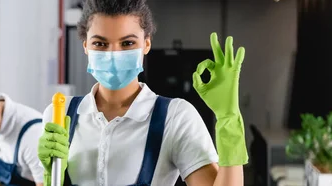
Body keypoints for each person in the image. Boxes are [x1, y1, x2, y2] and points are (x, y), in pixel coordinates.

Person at [37, 0, 248, 185]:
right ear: (85, 46)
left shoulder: (175, 117)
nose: (113, 55)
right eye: (100, 43)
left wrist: (228, 117)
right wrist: (49, 178)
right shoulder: (59, 114)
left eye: (127, 43)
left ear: (146, 44)